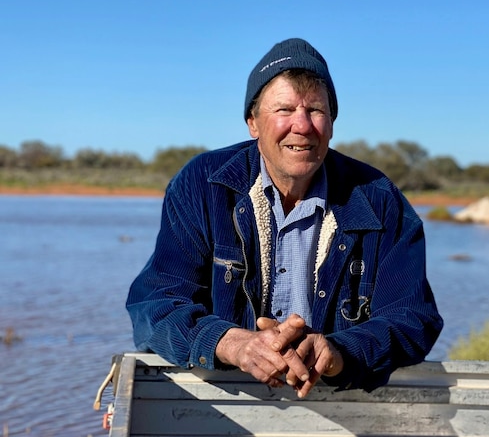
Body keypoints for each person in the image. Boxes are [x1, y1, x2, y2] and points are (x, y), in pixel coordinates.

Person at [127, 38, 443, 397]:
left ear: (332, 122)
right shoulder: (202, 184)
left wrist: (338, 351)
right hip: (225, 404)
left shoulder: (379, 199)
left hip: (339, 404)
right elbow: (155, 304)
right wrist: (235, 344)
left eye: (316, 110)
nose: (302, 125)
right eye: (284, 110)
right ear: (253, 122)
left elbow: (412, 319)